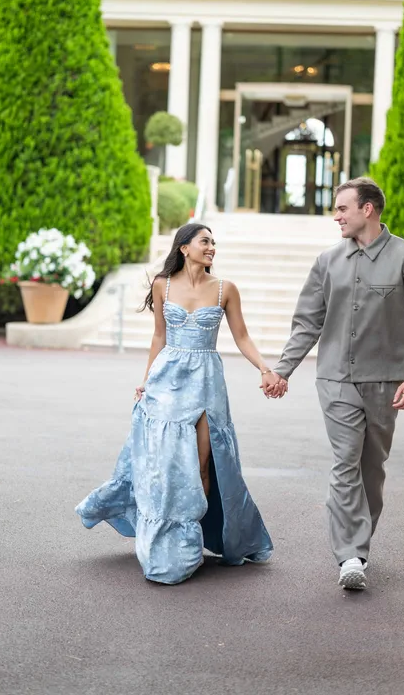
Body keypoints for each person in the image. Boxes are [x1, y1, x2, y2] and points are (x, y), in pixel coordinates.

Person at [76, 223, 281, 585]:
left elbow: (242, 336)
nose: (212, 247)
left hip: (204, 381)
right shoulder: (162, 285)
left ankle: (191, 539)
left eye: (214, 243)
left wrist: (264, 368)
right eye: (205, 241)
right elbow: (159, 335)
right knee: (166, 464)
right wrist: (146, 378)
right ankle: (164, 535)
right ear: (184, 248)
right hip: (166, 379)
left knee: (201, 465)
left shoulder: (224, 290)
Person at [269, 177, 404, 590]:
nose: (336, 215)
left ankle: (359, 543)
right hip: (335, 380)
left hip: (386, 383)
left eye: (342, 208)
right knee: (346, 460)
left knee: (371, 469)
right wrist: (283, 369)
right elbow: (307, 322)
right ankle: (350, 556)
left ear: (368, 209)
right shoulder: (328, 261)